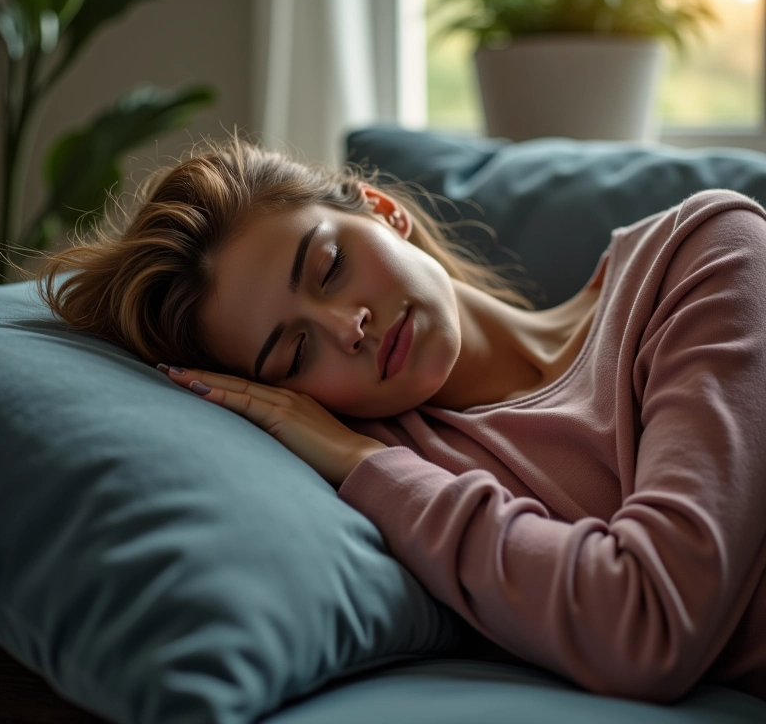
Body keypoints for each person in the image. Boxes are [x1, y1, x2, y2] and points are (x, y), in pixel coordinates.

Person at [37, 135, 766, 704]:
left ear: (384, 211)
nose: (345, 326)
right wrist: (361, 465)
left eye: (328, 266)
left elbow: (648, 624)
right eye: (293, 352)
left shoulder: (701, 256)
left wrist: (362, 465)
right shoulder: (393, 470)